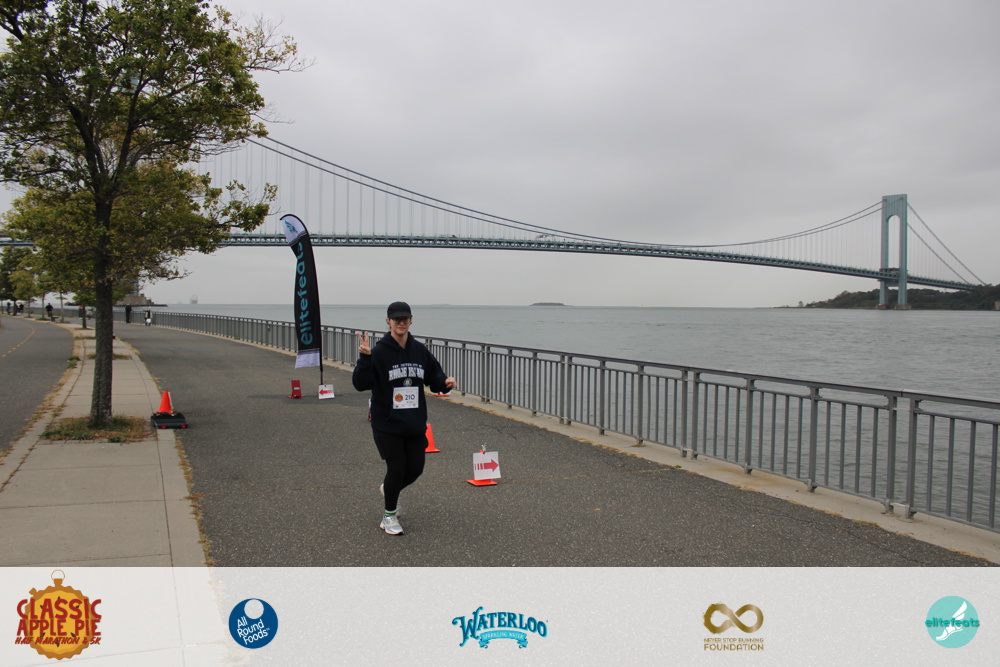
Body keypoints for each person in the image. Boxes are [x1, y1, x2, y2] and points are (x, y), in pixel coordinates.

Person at [352, 301, 456, 536]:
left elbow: (434, 377)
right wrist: (364, 359)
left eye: (405, 319)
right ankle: (389, 516)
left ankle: (389, 489)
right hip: (387, 423)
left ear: (411, 321)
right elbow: (360, 384)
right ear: (388, 321)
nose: (401, 323)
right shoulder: (378, 352)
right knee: (397, 468)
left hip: (414, 422)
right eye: (396, 319)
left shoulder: (419, 350)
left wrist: (445, 383)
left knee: (416, 469)